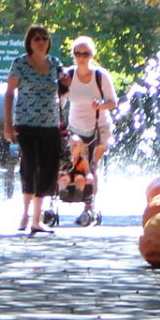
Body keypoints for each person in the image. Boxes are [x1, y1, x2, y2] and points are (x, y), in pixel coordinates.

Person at [3, 24, 64, 235]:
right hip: (26, 123)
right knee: (31, 166)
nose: (40, 41)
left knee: (48, 169)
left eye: (44, 38)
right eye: (36, 38)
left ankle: (37, 219)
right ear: (29, 42)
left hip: (50, 124)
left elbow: (65, 88)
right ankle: (26, 212)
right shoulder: (20, 63)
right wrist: (8, 125)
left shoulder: (55, 63)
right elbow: (9, 93)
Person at [61, 35, 118, 224]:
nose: (81, 57)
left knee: (91, 164)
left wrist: (100, 105)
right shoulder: (68, 76)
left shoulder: (100, 76)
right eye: (77, 54)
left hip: (98, 127)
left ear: (91, 55)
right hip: (75, 128)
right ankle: (69, 196)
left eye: (85, 54)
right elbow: (59, 101)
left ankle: (89, 206)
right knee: (73, 165)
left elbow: (113, 102)